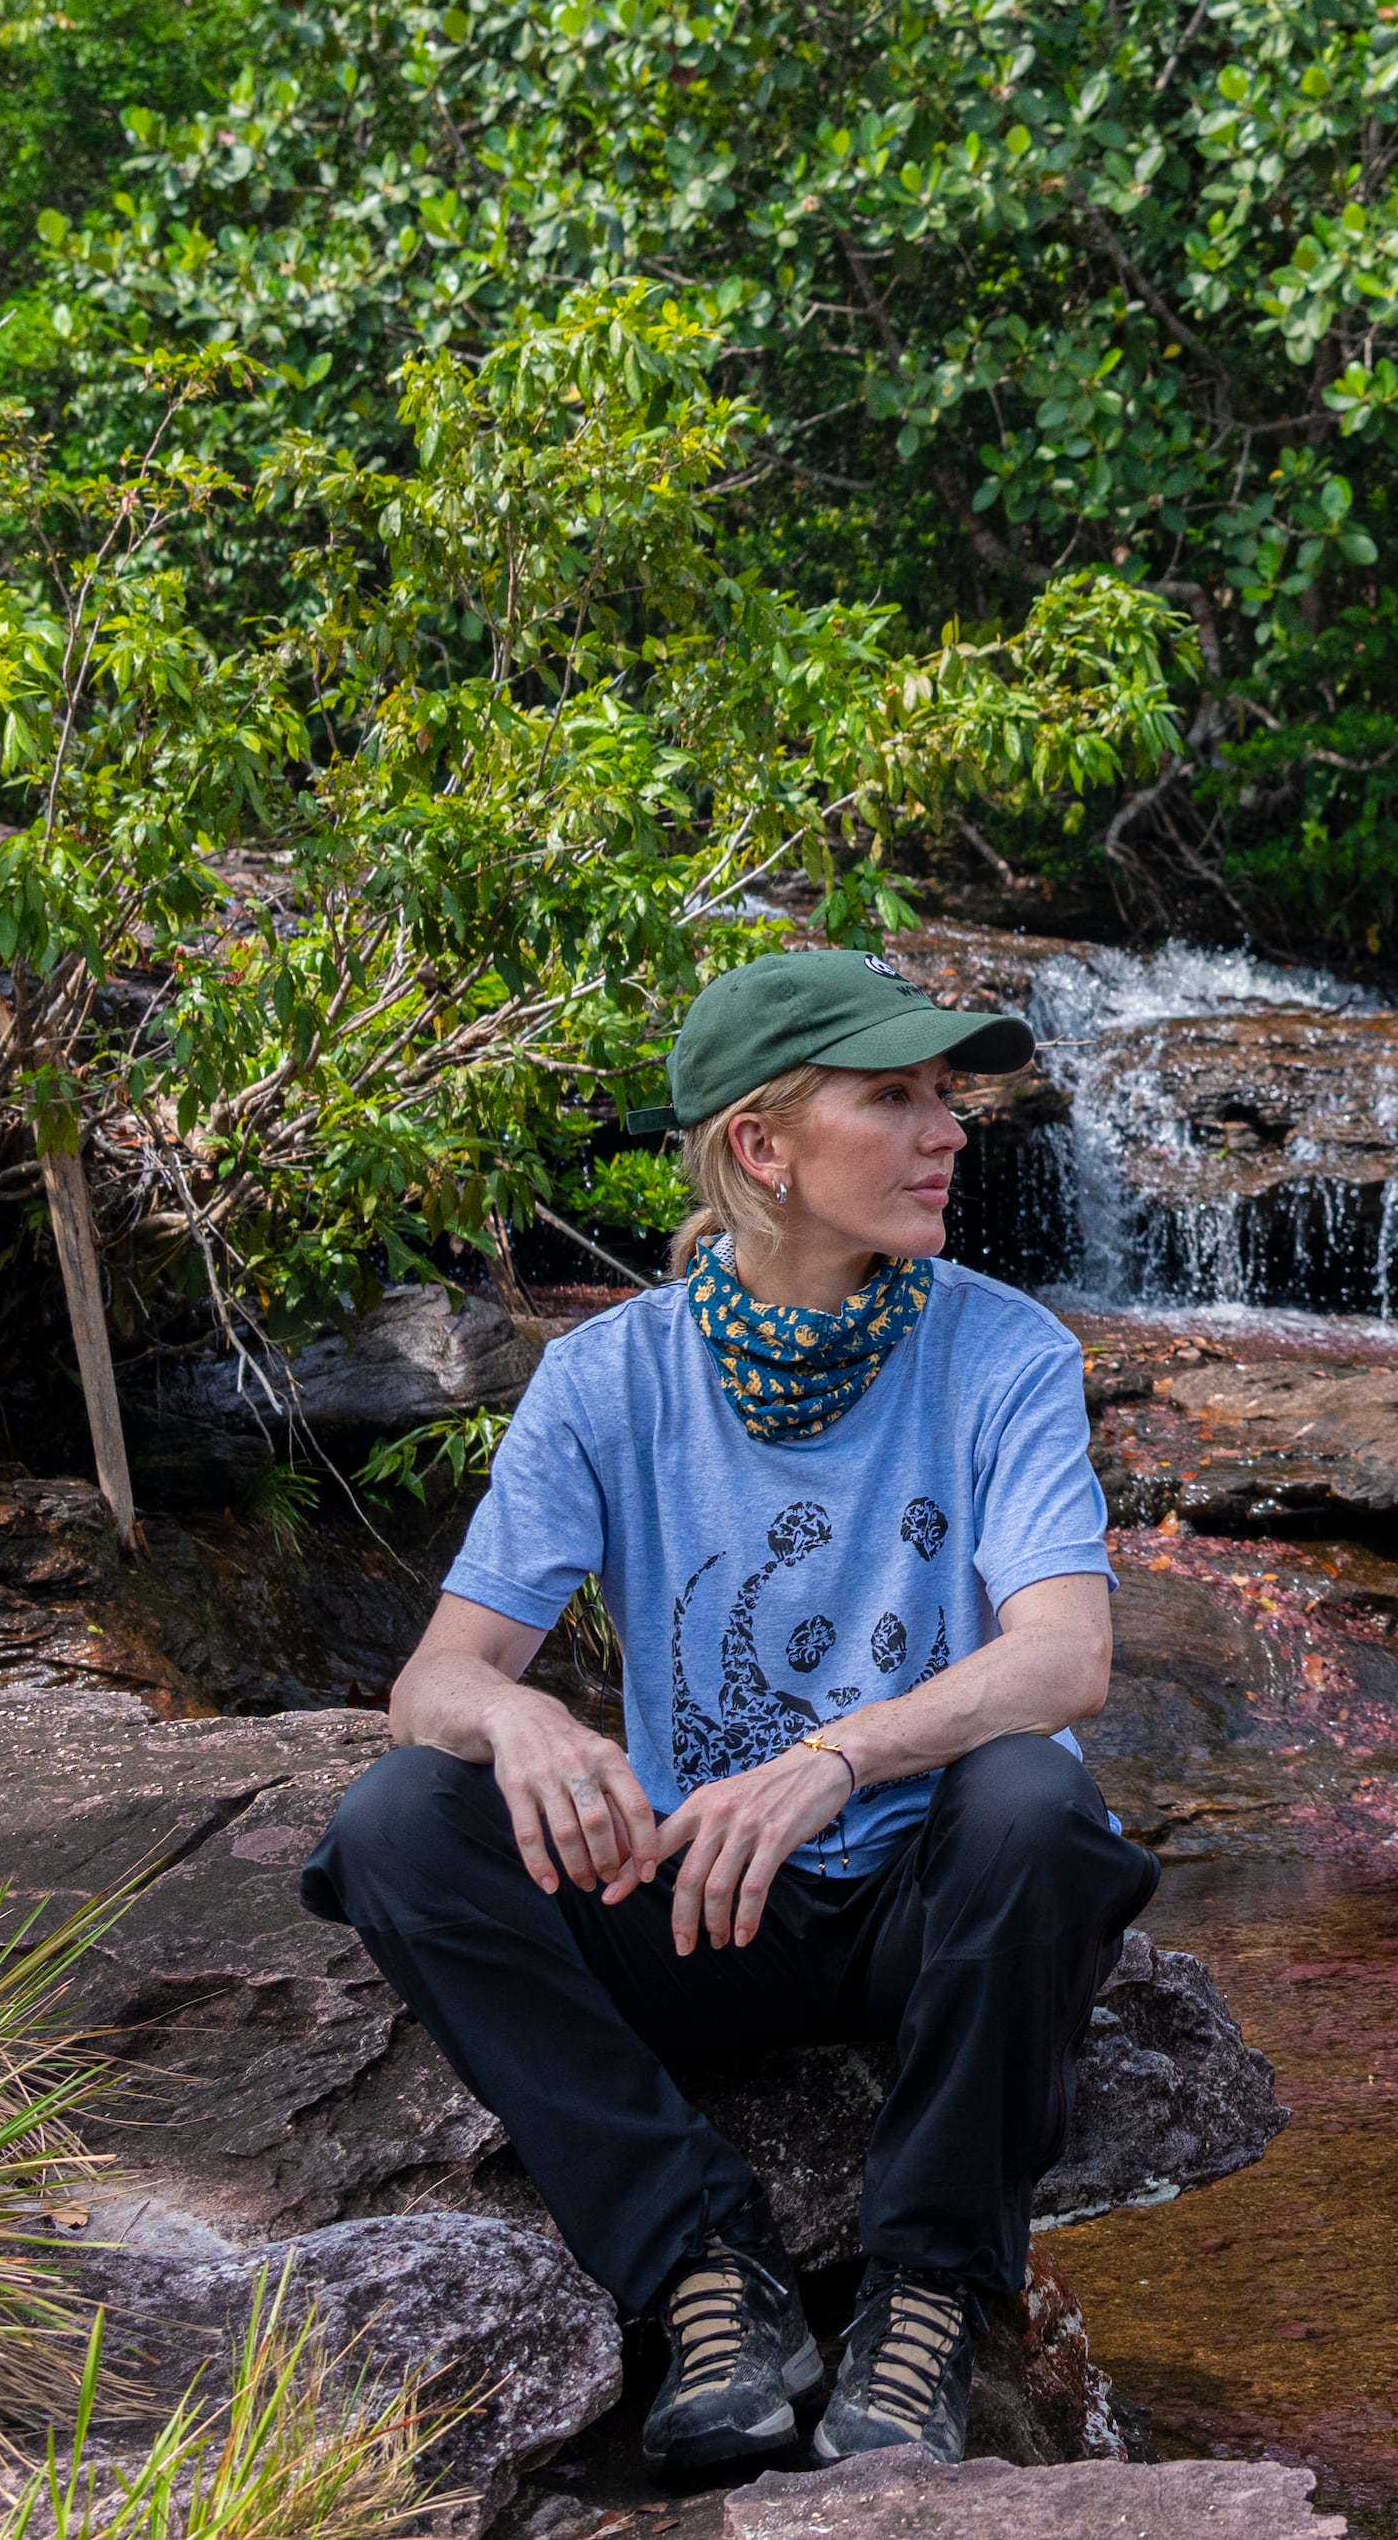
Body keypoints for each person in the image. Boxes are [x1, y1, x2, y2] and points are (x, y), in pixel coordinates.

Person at [302, 949, 1160, 2478]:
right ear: (763, 1147)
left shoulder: (1005, 1350)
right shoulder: (606, 1377)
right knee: (396, 1826)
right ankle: (708, 2271)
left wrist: (836, 1760)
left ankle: (929, 2292)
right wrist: (525, 1726)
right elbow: (433, 1678)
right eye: (893, 1096)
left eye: (947, 1097)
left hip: (928, 1918)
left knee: (1036, 1800)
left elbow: (1067, 1655)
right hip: (703, 1904)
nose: (945, 1129)